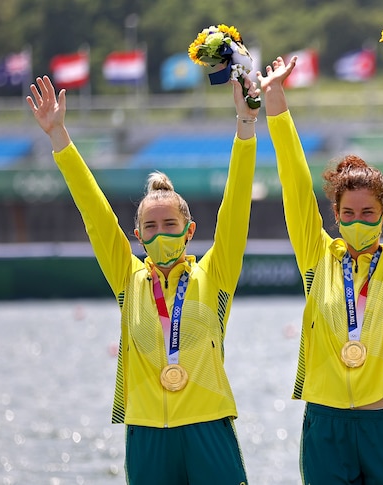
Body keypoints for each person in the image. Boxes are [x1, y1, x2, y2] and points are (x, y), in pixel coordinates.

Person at [26, 74, 260, 484]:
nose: (160, 232)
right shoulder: (128, 278)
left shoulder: (216, 273)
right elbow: (95, 214)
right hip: (147, 433)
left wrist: (245, 127)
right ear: (138, 235)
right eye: (150, 226)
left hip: (209, 427)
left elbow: (237, 204)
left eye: (170, 223)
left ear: (189, 231)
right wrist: (59, 136)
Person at [259, 45, 383, 484]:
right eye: (348, 215)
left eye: (368, 214)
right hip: (327, 425)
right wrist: (275, 101)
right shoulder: (316, 255)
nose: (357, 222)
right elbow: (294, 182)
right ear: (335, 216)